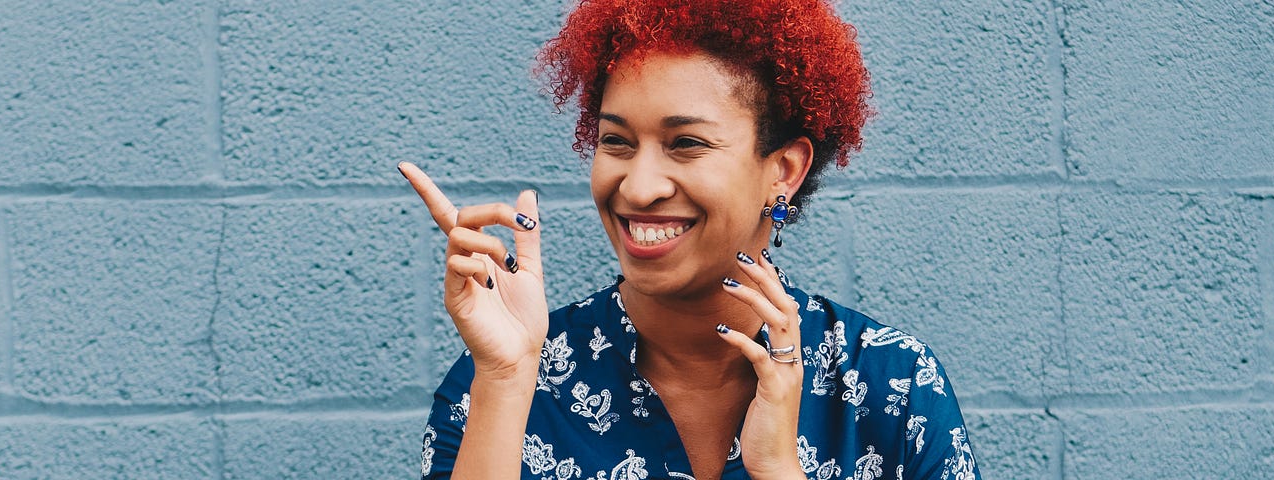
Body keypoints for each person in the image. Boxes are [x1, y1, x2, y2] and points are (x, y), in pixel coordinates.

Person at [401, 1, 978, 479]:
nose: (639, 186)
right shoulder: (502, 377)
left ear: (782, 171)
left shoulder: (892, 387)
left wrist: (778, 467)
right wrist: (504, 380)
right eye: (616, 142)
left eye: (687, 144)